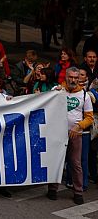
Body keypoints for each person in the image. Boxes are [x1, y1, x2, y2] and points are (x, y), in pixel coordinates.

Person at [48, 67, 93, 205]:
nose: (73, 80)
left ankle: (78, 192)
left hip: (76, 135)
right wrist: (52, 94)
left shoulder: (84, 95)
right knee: (56, 162)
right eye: (70, 77)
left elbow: (89, 118)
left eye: (76, 77)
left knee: (75, 164)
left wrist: (78, 126)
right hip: (57, 134)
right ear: (65, 76)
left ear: (79, 78)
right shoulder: (57, 90)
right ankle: (52, 189)